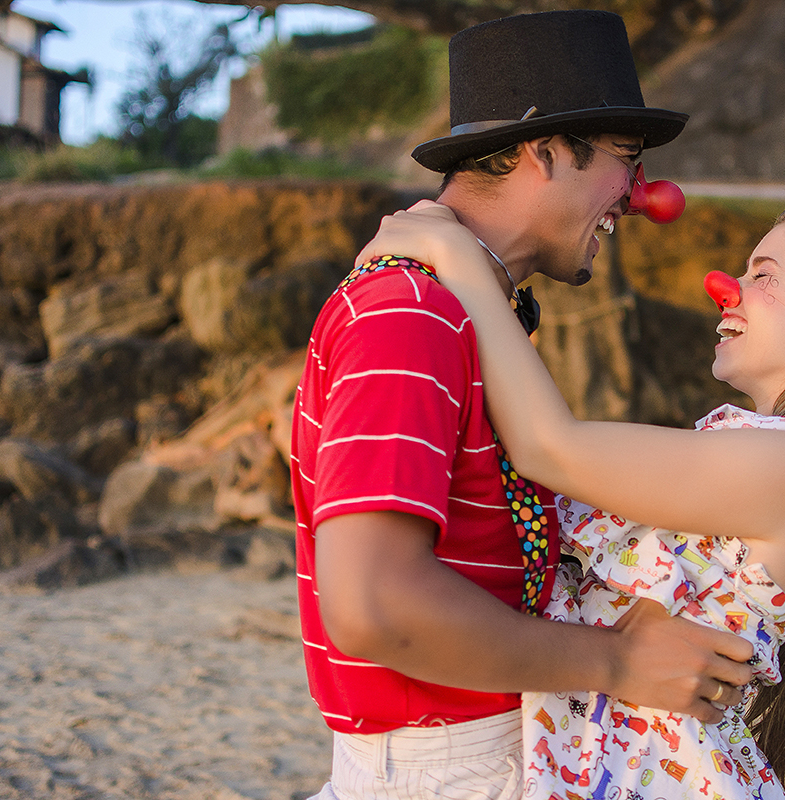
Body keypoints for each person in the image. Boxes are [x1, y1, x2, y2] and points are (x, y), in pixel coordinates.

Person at [291, 9, 754, 800]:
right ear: (544, 150)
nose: (640, 198)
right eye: (627, 160)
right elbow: (370, 603)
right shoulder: (413, 311)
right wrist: (615, 661)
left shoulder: (464, 310)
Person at [354, 198, 785, 799]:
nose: (726, 290)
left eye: (763, 275)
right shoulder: (769, 458)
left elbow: (550, 448)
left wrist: (459, 257)